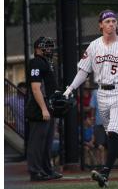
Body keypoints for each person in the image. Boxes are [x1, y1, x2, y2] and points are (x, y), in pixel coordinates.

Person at [63, 9, 118, 187]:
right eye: (107, 21)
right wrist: (70, 88)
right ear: (100, 25)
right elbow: (83, 71)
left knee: (113, 132)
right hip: (101, 93)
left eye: (113, 21)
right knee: (114, 136)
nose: (111, 24)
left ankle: (105, 173)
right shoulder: (94, 46)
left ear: (116, 24)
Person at [26, 36, 63, 181]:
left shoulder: (46, 63)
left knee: (47, 142)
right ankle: (35, 172)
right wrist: (43, 109)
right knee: (37, 142)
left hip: (48, 106)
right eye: (46, 47)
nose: (49, 49)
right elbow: (36, 88)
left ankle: (47, 170)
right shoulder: (36, 62)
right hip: (38, 109)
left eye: (50, 47)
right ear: (37, 49)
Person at [90, 89, 107, 167]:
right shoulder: (95, 92)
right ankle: (100, 164)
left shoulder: (113, 90)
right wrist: (93, 118)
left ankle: (105, 165)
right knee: (99, 145)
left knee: (107, 146)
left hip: (110, 123)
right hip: (99, 122)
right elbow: (93, 107)